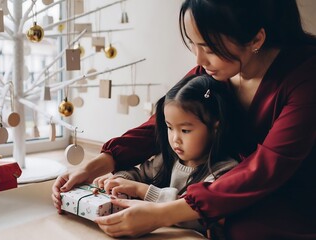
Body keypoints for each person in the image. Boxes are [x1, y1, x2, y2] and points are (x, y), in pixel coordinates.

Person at [52, 0, 316, 239]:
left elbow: (267, 169)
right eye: (193, 44)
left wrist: (160, 215)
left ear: (256, 39)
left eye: (209, 47)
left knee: (243, 230)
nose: (198, 59)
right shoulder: (214, 71)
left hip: (287, 195)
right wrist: (92, 167)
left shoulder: (305, 77)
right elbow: (157, 124)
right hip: (226, 188)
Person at [92, 74, 239, 236]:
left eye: (185, 130)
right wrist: (118, 180)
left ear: (215, 127)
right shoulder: (168, 158)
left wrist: (143, 190)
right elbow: (140, 173)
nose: (175, 139)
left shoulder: (224, 171)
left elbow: (191, 212)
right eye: (170, 128)